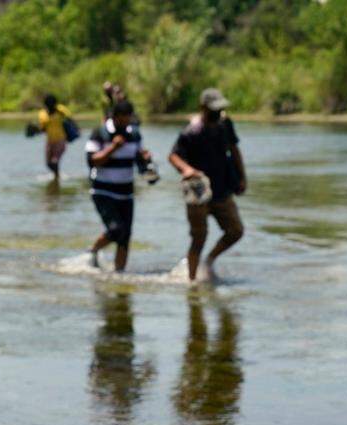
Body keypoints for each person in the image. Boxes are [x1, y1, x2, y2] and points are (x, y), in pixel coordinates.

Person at [168, 88, 247, 281]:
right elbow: (173, 156)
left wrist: (242, 177)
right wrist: (186, 170)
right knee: (198, 239)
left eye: (219, 110)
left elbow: (234, 150)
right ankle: (192, 282)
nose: (217, 114)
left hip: (222, 189)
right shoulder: (190, 132)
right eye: (213, 110)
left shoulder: (225, 125)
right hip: (198, 190)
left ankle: (209, 260)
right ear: (202, 108)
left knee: (236, 231)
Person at [84, 100, 152, 272]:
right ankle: (93, 251)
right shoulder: (99, 133)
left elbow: (140, 162)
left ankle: (119, 274)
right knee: (115, 230)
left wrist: (145, 158)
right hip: (103, 191)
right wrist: (113, 147)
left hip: (126, 193)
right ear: (114, 118)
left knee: (125, 236)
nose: (126, 123)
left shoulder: (134, 134)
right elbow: (92, 161)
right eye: (123, 119)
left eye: (129, 119)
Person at [36, 94, 75, 177]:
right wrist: (35, 130)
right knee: (48, 163)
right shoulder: (43, 114)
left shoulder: (61, 111)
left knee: (55, 161)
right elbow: (43, 129)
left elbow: (70, 120)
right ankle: (57, 176)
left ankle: (56, 179)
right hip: (49, 141)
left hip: (61, 140)